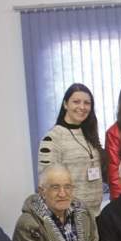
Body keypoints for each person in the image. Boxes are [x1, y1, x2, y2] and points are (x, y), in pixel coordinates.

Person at [38, 83, 106, 215]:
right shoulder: (53, 138)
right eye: (76, 102)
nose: (82, 107)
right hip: (69, 215)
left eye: (87, 103)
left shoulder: (89, 134)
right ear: (65, 104)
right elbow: (45, 181)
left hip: (95, 214)